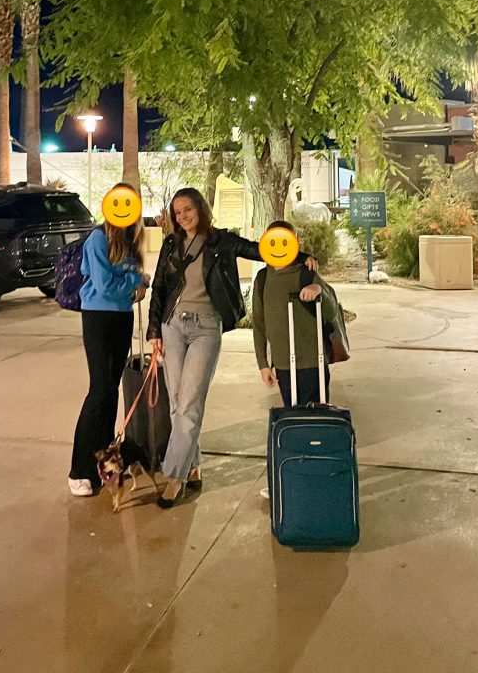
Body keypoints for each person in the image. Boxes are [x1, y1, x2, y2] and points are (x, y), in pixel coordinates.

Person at [148, 189, 315, 508]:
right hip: (172, 325)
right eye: (177, 212)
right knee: (176, 402)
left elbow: (260, 250)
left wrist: (298, 254)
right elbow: (159, 287)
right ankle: (192, 466)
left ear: (200, 208)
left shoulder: (221, 240)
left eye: (187, 209)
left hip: (206, 327)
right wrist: (154, 328)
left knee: (190, 404)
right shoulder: (171, 244)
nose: (182, 216)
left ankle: (174, 477)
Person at [68, 183, 148, 497]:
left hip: (122, 317)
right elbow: (102, 286)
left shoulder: (130, 241)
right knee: (99, 390)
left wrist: (133, 285)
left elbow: (126, 285)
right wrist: (136, 281)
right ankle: (79, 470)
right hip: (98, 317)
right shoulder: (98, 239)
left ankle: (102, 465)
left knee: (111, 391)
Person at [252, 220, 339, 408]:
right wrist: (263, 363)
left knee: (316, 413)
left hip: (312, 358)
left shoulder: (306, 273)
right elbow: (259, 324)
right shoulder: (262, 279)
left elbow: (331, 311)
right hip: (283, 361)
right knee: (293, 414)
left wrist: (318, 289)